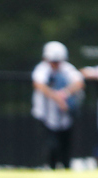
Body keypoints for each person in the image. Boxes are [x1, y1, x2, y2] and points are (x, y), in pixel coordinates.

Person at [31, 41, 83, 169]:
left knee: (66, 149)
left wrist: (65, 93)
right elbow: (39, 84)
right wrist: (57, 98)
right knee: (51, 147)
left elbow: (79, 82)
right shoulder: (42, 69)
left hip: (65, 117)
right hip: (46, 116)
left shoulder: (67, 69)